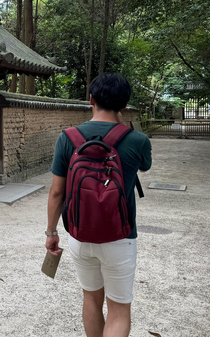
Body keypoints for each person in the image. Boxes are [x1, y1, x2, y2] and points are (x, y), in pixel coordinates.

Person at [45, 73, 152, 337]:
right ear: (124, 105)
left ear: (90, 99)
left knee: (91, 299)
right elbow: (145, 166)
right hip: (121, 237)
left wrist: (51, 232)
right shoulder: (137, 140)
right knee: (119, 309)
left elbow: (57, 193)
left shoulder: (67, 138)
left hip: (80, 236)